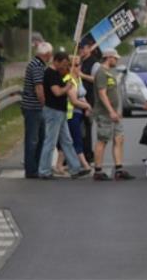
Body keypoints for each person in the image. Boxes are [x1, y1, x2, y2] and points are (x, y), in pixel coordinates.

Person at [38, 51, 91, 180]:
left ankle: (74, 168)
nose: (64, 67)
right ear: (56, 61)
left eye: (66, 64)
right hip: (53, 111)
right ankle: (44, 170)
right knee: (50, 141)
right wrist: (68, 86)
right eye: (63, 64)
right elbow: (57, 92)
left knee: (67, 141)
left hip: (61, 112)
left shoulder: (58, 73)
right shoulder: (50, 74)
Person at [92, 49, 134, 181]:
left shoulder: (110, 72)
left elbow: (114, 93)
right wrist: (110, 111)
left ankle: (119, 169)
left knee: (119, 139)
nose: (117, 60)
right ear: (108, 57)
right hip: (105, 113)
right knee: (103, 140)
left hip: (114, 113)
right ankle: (98, 170)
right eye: (115, 58)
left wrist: (118, 110)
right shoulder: (101, 73)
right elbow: (102, 94)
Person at [21, 42, 53, 178]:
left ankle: (37, 166)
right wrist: (45, 104)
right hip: (33, 107)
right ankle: (31, 169)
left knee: (39, 138)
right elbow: (39, 88)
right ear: (47, 54)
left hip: (33, 107)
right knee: (33, 140)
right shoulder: (37, 66)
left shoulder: (38, 64)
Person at [63, 55, 93, 174]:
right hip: (71, 114)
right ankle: (85, 165)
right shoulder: (68, 79)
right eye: (75, 65)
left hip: (79, 113)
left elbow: (82, 95)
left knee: (68, 140)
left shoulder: (78, 78)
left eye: (79, 64)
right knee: (76, 139)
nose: (78, 67)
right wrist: (87, 106)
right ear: (69, 67)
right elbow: (73, 100)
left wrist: (86, 105)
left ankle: (60, 165)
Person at [78, 41, 100, 165]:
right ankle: (80, 153)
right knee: (78, 128)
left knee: (86, 127)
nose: (81, 50)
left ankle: (88, 154)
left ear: (89, 49)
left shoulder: (95, 63)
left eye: (83, 48)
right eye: (79, 48)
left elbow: (96, 79)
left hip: (89, 99)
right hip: (78, 99)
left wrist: (82, 75)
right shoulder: (79, 62)